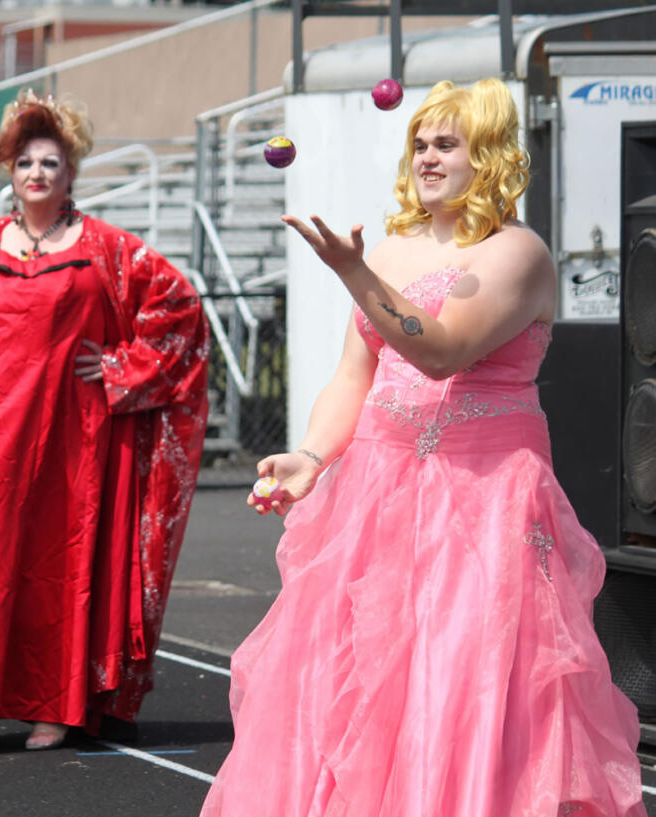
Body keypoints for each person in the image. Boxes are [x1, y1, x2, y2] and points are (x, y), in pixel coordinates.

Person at [201, 78, 643, 815]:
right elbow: (356, 373)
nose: (428, 158)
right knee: (356, 679)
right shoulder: (395, 248)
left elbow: (442, 351)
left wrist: (353, 271)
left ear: (491, 156)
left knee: (462, 678)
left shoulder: (518, 252)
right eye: (420, 144)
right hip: (377, 491)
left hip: (482, 500)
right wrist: (310, 456)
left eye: (447, 144)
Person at [0, 89, 210, 751]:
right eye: (25, 162)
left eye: (50, 162)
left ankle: (56, 708)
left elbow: (181, 313)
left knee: (60, 566)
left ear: (71, 173)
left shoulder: (107, 249)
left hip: (74, 438)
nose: (37, 173)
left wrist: (123, 366)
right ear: (8, 172)